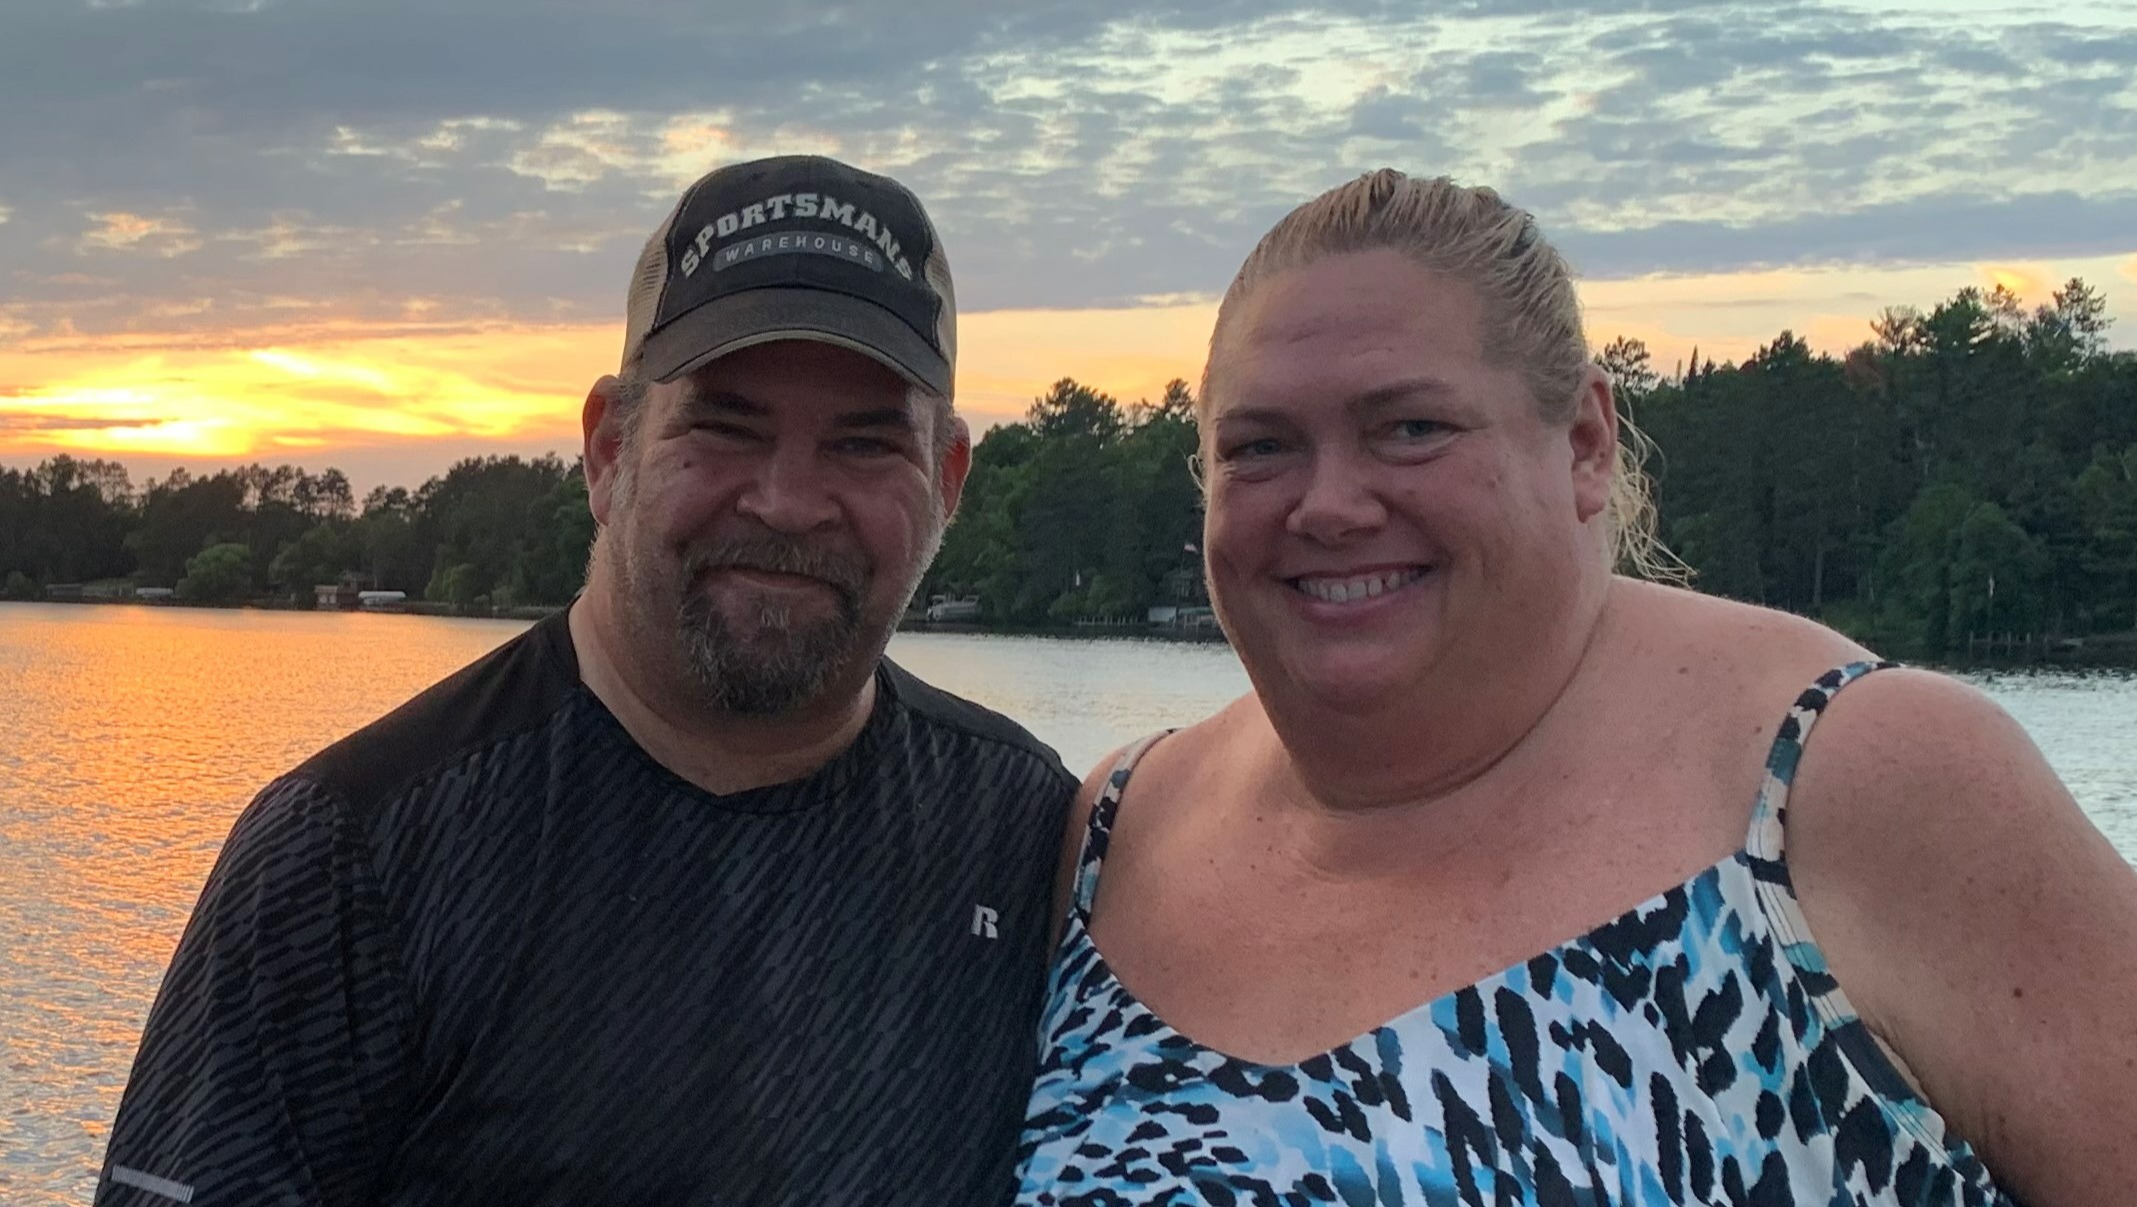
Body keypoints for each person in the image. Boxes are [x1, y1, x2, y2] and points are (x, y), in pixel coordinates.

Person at [1015, 170, 2137, 1205]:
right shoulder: (1120, 826)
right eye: (1259, 447)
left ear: (1586, 443)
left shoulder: (1850, 783)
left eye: (1410, 428)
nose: (1329, 505)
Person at [97, 155, 1076, 1207]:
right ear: (609, 448)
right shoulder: (353, 856)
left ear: (948, 481)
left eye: (865, 443)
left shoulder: (1028, 839)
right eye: (725, 426)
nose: (789, 501)